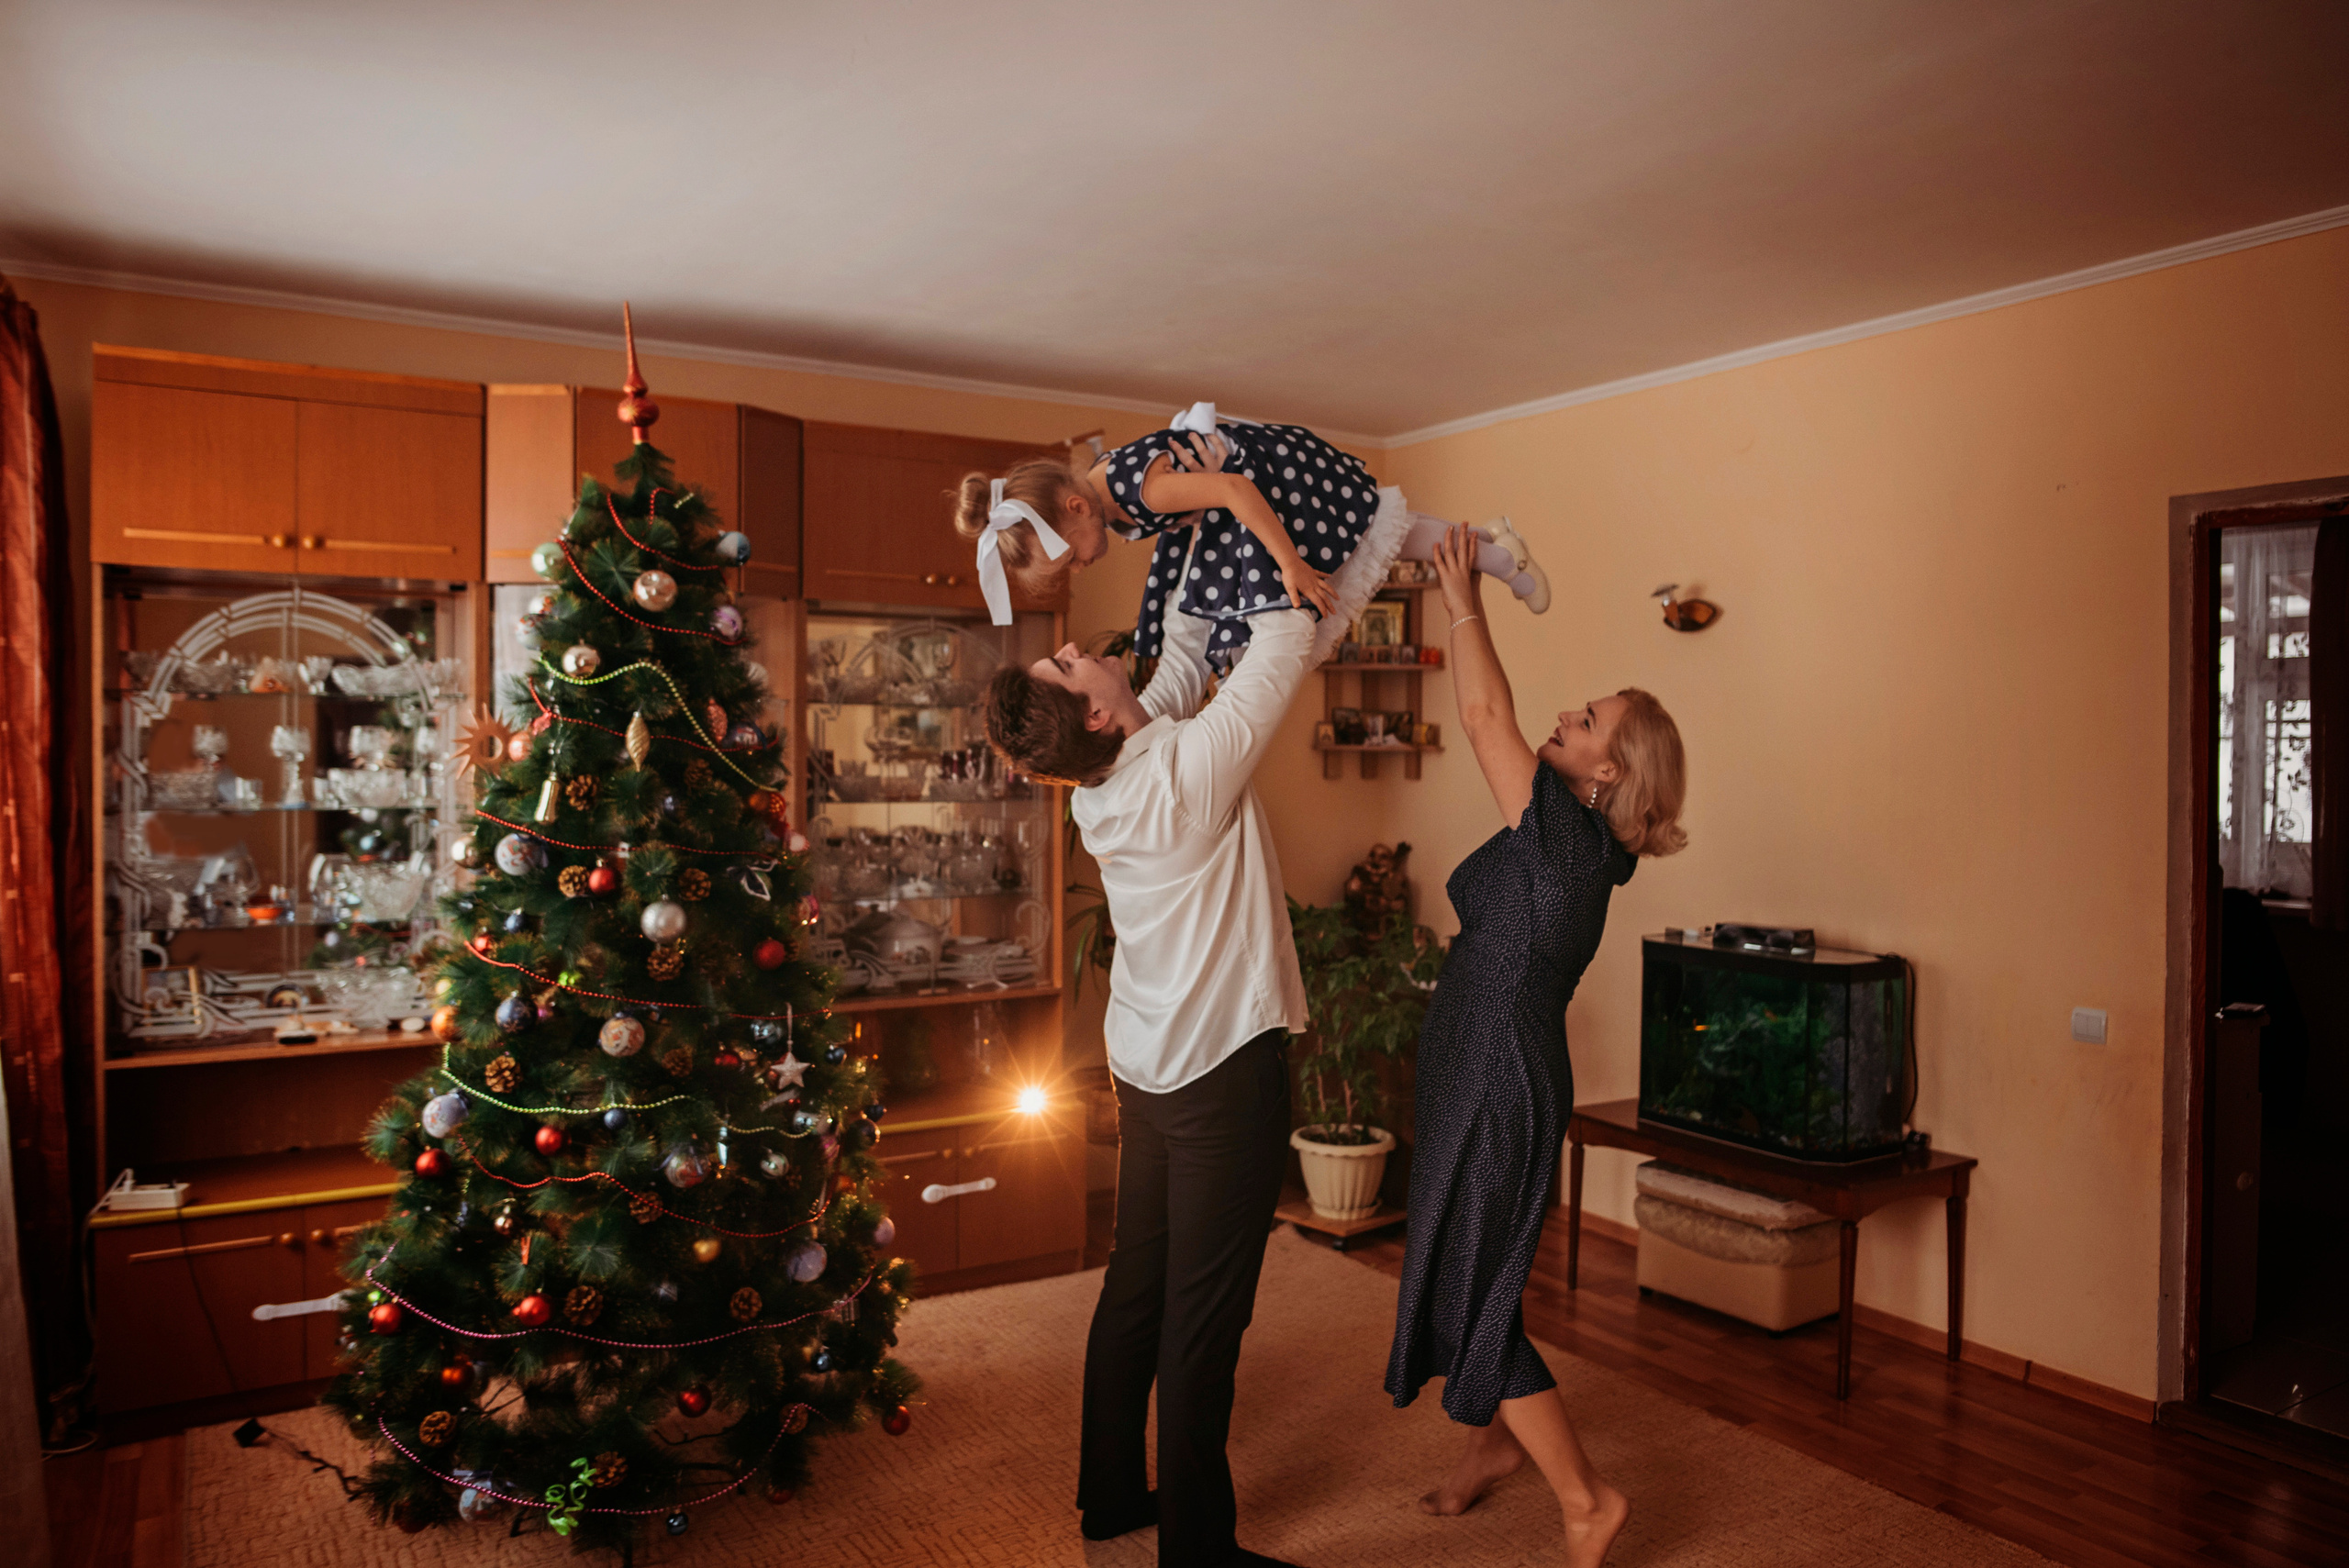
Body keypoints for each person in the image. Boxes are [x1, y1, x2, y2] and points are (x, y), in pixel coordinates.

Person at [982, 564, 1315, 1568]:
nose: (1087, 648)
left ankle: (1111, 1495)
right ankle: (1198, 1550)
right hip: (1218, 1071)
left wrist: (1185, 544)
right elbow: (1286, 639)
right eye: (1072, 658)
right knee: (1202, 1311)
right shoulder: (1183, 767)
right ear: (1092, 704)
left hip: (1148, 1063)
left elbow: (1171, 667)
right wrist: (1259, 545)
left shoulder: (1105, 776)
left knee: (1139, 1282)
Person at [1384, 524, 1687, 1568]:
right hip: (1488, 1057)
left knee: (1474, 1289)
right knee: (1474, 1269)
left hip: (1497, 1073)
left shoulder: (1566, 831)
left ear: (1609, 768)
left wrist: (1460, 591)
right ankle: (1486, 1454)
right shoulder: (1581, 837)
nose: (1567, 715)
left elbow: (1479, 713)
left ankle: (1585, 1493)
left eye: (1588, 717)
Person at [953, 406, 1549, 672]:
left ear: (1076, 506)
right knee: (1383, 536)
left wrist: (1288, 562)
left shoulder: (1139, 493)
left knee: (1373, 537)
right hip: (1248, 489)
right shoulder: (1106, 491)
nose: (1080, 567)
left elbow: (1236, 491)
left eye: (1069, 557)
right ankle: (1494, 547)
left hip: (1268, 484)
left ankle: (1498, 555)